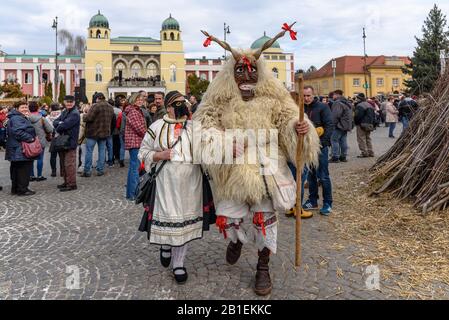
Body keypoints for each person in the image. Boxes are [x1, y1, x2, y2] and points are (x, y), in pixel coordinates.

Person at [193, 27, 320, 296]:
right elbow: (203, 127)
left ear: (260, 73)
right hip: (233, 169)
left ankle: (263, 267)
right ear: (232, 73)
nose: (246, 76)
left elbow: (288, 119)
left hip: (267, 167)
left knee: (264, 218)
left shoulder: (275, 99)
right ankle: (236, 241)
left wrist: (298, 128)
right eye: (240, 71)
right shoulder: (219, 99)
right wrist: (225, 143)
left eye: (251, 71)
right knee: (228, 218)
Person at [138, 91, 203, 284]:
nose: (182, 105)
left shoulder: (194, 127)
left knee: (184, 224)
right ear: (168, 107)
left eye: (183, 102)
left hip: (191, 184)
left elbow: (208, 148)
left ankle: (179, 263)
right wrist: (160, 155)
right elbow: (143, 152)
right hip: (166, 184)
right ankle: (165, 245)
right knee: (169, 219)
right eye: (177, 103)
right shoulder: (157, 127)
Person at [302, 86, 334, 215]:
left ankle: (327, 202)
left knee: (323, 176)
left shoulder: (322, 107)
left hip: (320, 147)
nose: (306, 98)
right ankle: (312, 200)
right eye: (304, 96)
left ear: (313, 95)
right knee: (310, 176)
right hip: (307, 148)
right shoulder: (300, 109)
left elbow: (329, 125)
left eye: (308, 95)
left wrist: (323, 143)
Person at [5, 101, 37, 196]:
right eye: (22, 107)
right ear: (17, 109)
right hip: (20, 148)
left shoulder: (16, 117)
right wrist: (30, 138)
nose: (25, 109)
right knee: (23, 169)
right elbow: (18, 132)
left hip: (16, 148)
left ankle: (16, 189)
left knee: (16, 169)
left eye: (26, 107)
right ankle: (23, 189)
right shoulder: (17, 118)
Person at [82, 93, 115, 177]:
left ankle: (87, 171)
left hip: (93, 133)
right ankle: (100, 170)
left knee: (89, 151)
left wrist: (84, 114)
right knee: (102, 151)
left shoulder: (95, 106)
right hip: (104, 133)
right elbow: (113, 121)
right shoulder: (110, 107)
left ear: (97, 99)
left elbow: (88, 118)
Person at [53, 96, 81, 192]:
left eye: (71, 102)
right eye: (67, 102)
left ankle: (72, 184)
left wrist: (60, 124)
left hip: (70, 142)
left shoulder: (75, 113)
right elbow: (55, 122)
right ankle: (66, 182)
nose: (69, 103)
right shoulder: (65, 111)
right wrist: (60, 123)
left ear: (74, 102)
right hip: (63, 141)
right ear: (64, 102)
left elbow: (63, 126)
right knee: (63, 163)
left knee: (69, 164)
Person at [124, 93, 146, 200]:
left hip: (135, 142)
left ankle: (130, 193)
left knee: (133, 168)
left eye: (141, 99)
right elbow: (139, 128)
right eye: (138, 99)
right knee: (135, 169)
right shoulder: (133, 111)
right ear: (133, 100)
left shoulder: (135, 110)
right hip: (135, 142)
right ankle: (133, 193)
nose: (140, 101)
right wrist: (149, 136)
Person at [28, 101, 54, 181]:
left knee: (30, 159)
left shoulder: (26, 119)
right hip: (40, 141)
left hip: (29, 141)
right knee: (40, 158)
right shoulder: (42, 118)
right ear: (38, 108)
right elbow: (50, 129)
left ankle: (31, 175)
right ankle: (39, 176)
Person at [330, 90, 353, 163]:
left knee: (334, 140)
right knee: (343, 140)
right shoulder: (347, 102)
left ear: (337, 95)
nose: (332, 96)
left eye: (333, 95)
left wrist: (332, 125)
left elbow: (335, 115)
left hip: (339, 125)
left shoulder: (337, 103)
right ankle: (343, 156)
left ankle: (335, 157)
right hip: (346, 125)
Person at [354, 93, 376, 158]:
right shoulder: (369, 105)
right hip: (369, 124)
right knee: (368, 138)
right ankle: (370, 152)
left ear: (359, 98)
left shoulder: (359, 105)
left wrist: (356, 123)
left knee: (361, 138)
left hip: (362, 124)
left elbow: (357, 116)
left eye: (357, 98)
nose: (356, 99)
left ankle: (364, 152)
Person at [48, 103, 62, 177]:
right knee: (61, 155)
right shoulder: (62, 115)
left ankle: (53, 171)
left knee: (53, 156)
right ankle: (62, 171)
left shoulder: (49, 116)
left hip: (53, 136)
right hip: (61, 136)